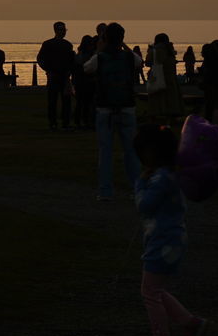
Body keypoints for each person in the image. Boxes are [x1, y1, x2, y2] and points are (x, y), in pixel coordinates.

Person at [133, 124, 208, 336]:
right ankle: (191, 323)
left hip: (163, 241)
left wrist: (140, 183)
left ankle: (161, 335)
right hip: (172, 240)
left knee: (149, 293)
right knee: (156, 290)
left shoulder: (160, 179)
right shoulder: (172, 175)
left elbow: (144, 206)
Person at [84, 22, 142, 201]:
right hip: (127, 107)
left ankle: (105, 191)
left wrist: (99, 49)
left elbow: (87, 68)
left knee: (105, 151)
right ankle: (137, 188)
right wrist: (125, 47)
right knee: (131, 151)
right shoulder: (129, 58)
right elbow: (139, 62)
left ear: (105, 38)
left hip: (105, 109)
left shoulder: (100, 58)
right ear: (122, 38)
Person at [37, 21, 76, 130]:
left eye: (64, 30)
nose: (63, 32)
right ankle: (54, 122)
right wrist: (48, 70)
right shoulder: (48, 44)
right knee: (53, 101)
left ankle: (64, 122)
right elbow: (40, 59)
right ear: (55, 30)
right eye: (61, 30)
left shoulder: (67, 45)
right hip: (54, 76)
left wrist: (69, 72)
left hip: (63, 77)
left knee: (65, 101)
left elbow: (71, 61)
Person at [144, 33, 184, 125]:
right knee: (170, 102)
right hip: (170, 80)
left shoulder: (155, 50)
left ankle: (156, 120)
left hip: (157, 78)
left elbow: (148, 62)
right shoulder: (170, 50)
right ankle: (170, 120)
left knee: (157, 101)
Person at [72, 35, 98, 129]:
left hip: (79, 82)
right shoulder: (89, 56)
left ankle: (79, 121)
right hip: (87, 82)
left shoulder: (79, 55)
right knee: (87, 103)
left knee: (81, 103)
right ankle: (85, 121)